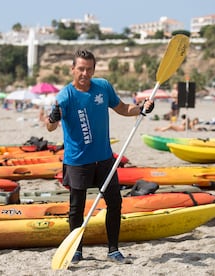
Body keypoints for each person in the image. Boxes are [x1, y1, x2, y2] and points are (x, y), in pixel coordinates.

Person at [45, 49, 154, 265]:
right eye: (81, 69)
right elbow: (50, 127)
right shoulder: (65, 96)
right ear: (72, 69)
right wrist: (53, 117)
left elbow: (123, 108)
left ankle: (113, 250)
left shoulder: (103, 87)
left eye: (89, 69)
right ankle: (76, 250)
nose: (85, 73)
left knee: (115, 202)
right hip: (77, 160)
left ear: (93, 69)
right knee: (77, 207)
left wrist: (142, 108)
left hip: (104, 158)